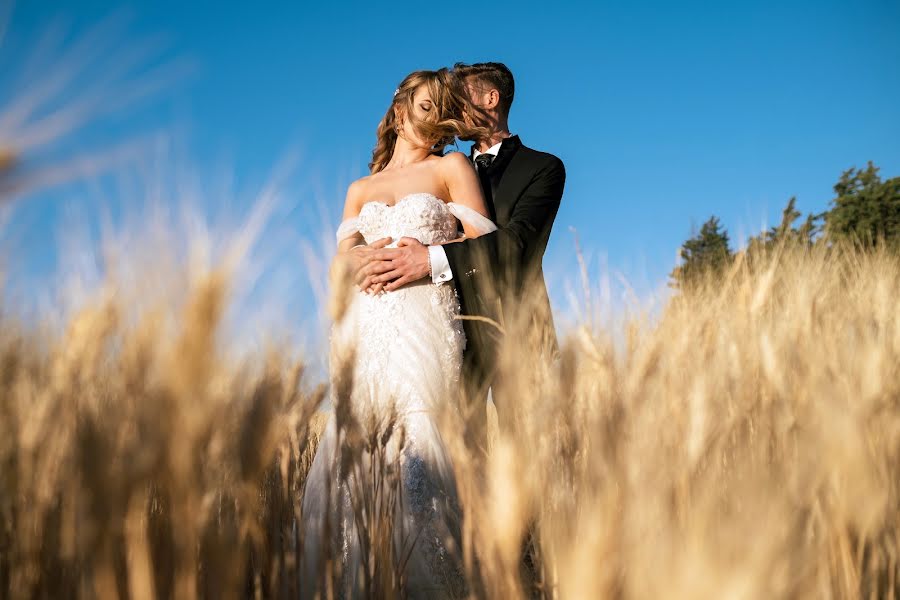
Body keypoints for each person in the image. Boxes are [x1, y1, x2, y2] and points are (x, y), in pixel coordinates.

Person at [300, 68, 495, 599]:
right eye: (426, 104)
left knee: (420, 454)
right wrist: (354, 258)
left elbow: (488, 250)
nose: (435, 118)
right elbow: (337, 269)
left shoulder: (450, 167)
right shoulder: (359, 189)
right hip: (364, 331)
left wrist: (427, 257)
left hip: (423, 322)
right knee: (357, 455)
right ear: (401, 105)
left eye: (444, 109)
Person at [359, 62, 566, 450]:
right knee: (458, 469)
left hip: (516, 331)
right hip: (450, 336)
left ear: (492, 99)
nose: (450, 107)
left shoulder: (543, 168)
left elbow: (517, 245)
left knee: (524, 467)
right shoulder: (441, 169)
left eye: (461, 97)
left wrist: (432, 257)